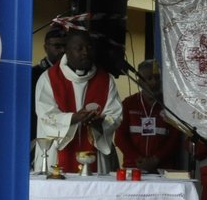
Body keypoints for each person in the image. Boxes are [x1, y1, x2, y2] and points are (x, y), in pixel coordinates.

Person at [34, 28, 121, 174]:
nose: (85, 52)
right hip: (57, 153)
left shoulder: (105, 80)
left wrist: (100, 123)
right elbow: (45, 115)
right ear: (67, 51)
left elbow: (116, 115)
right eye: (79, 48)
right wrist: (74, 118)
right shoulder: (48, 78)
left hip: (95, 155)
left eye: (89, 47)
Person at [114, 59, 182, 172]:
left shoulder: (170, 105)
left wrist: (156, 159)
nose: (154, 83)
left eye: (157, 78)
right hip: (134, 167)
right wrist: (137, 158)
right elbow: (120, 138)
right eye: (149, 78)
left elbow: (174, 138)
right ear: (139, 81)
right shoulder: (128, 104)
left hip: (163, 168)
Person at [28, 24, 68, 145]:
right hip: (39, 136)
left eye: (65, 46)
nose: (62, 50)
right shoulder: (34, 75)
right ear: (46, 48)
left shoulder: (73, 74)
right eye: (57, 46)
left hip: (66, 134)